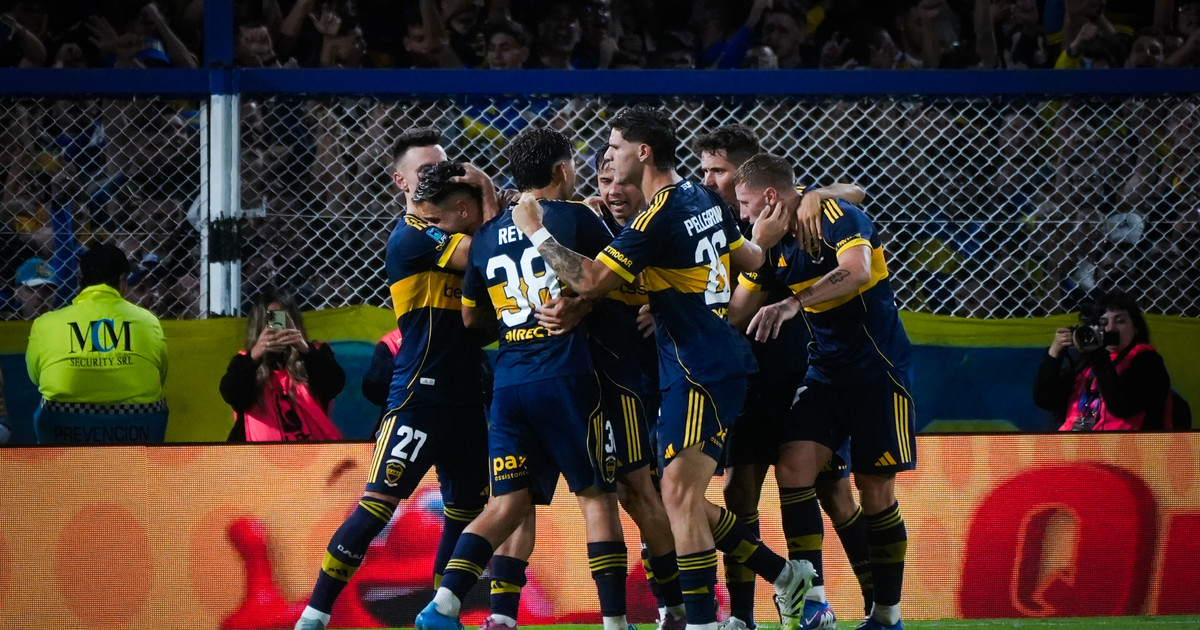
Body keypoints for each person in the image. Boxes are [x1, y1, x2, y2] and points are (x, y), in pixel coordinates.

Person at [506, 105, 815, 630]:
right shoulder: (700, 196)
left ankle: (703, 620)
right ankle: (784, 575)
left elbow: (589, 279)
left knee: (677, 495)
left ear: (643, 152)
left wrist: (535, 230)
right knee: (678, 496)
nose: (608, 156)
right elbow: (750, 260)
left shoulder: (658, 217)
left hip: (698, 367)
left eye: (615, 147)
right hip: (702, 362)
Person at [416, 131, 631, 630]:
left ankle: (445, 605)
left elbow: (472, 318)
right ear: (562, 170)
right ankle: (617, 623)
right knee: (597, 498)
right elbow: (617, 279)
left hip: (510, 385)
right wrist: (580, 303)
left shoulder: (487, 236)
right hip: (568, 378)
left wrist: (515, 322)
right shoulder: (575, 218)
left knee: (507, 503)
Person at [294, 161, 496, 630]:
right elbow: (485, 254)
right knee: (377, 504)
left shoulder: (453, 235)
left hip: (467, 400)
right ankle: (314, 615)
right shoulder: (412, 235)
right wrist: (489, 194)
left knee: (464, 514)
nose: (428, 210)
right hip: (419, 398)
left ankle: (439, 616)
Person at [694, 124, 871, 630]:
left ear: (748, 175)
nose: (708, 181)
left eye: (719, 171)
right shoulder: (706, 216)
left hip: (796, 370)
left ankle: (869, 606)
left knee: (833, 493)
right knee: (738, 493)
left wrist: (816, 194)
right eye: (705, 170)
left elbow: (855, 192)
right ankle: (744, 617)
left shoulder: (786, 208)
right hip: (742, 379)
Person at [737, 154, 917, 630]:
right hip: (825, 375)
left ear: (769, 196)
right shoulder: (768, 243)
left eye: (746, 204)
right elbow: (737, 312)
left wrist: (792, 303)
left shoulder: (835, 215)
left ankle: (887, 616)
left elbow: (857, 271)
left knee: (874, 491)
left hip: (879, 372)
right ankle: (814, 601)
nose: (744, 215)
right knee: (793, 467)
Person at [25, 242, 168, 444]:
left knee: (48, 402)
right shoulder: (148, 321)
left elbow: (36, 377)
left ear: (82, 279)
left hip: (65, 434)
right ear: (122, 280)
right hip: (137, 432)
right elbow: (160, 374)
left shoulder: (45, 323)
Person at [1033, 290, 1187, 430]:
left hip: (1124, 447)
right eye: (1103, 323)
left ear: (1136, 327)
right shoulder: (1086, 365)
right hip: (1077, 444)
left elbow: (1122, 406)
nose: (1110, 329)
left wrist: (1098, 355)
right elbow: (1045, 400)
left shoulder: (1149, 363)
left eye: (1120, 321)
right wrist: (1054, 354)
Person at [219, 288, 345, 441]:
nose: (278, 327)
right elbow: (232, 395)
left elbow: (333, 385)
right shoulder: (245, 363)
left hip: (312, 450)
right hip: (261, 453)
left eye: (281, 319)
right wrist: (254, 356)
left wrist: (305, 350)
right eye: (271, 320)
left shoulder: (315, 355)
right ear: (260, 325)